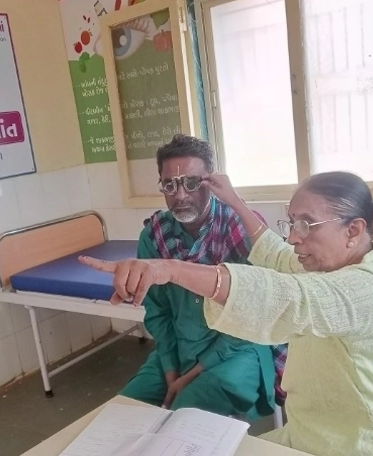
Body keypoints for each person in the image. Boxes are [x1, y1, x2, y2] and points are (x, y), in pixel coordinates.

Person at [81, 170, 373, 456]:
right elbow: (277, 255)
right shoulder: (333, 262)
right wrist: (234, 199)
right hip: (322, 433)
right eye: (291, 223)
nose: (293, 238)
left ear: (353, 230)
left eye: (306, 225)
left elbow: (284, 297)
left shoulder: (368, 286)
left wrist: (170, 269)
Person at [122, 134, 288, 420]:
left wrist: (190, 376)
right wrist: (171, 371)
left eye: (191, 183)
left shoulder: (240, 228)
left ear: (209, 182)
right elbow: (158, 313)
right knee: (125, 410)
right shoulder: (154, 235)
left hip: (238, 349)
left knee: (185, 415)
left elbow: (252, 315)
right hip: (179, 350)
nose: (180, 195)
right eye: (170, 185)